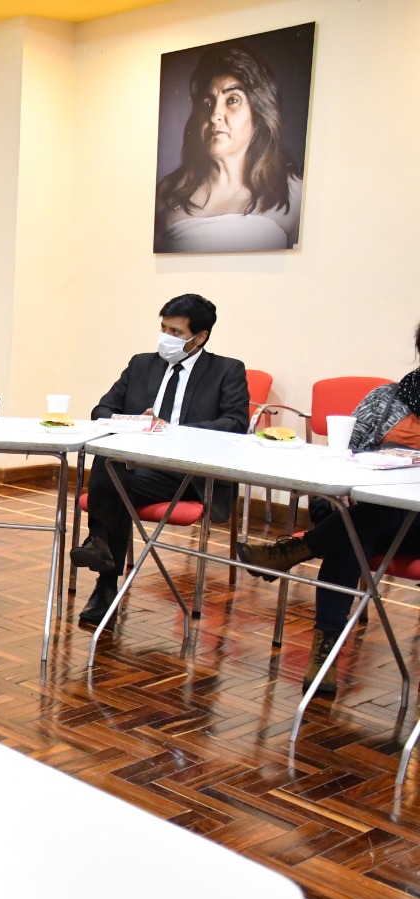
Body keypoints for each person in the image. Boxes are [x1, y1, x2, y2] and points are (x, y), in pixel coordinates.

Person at [238, 327, 420, 699]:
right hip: (378, 518)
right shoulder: (387, 399)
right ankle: (325, 655)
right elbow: (347, 456)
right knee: (356, 527)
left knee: (355, 526)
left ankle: (294, 552)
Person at [70, 294, 249, 628]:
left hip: (188, 473)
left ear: (201, 337)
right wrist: (132, 422)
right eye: (163, 328)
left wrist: (173, 430)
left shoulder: (226, 371)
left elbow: (235, 425)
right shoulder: (141, 364)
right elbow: (102, 410)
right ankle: (104, 571)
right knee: (111, 464)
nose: (166, 338)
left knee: (112, 477)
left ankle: (102, 567)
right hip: (137, 466)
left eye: (176, 332)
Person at [154, 44, 303, 253]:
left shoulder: (294, 192)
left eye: (232, 100)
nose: (215, 114)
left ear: (259, 113)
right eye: (207, 103)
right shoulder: (165, 195)